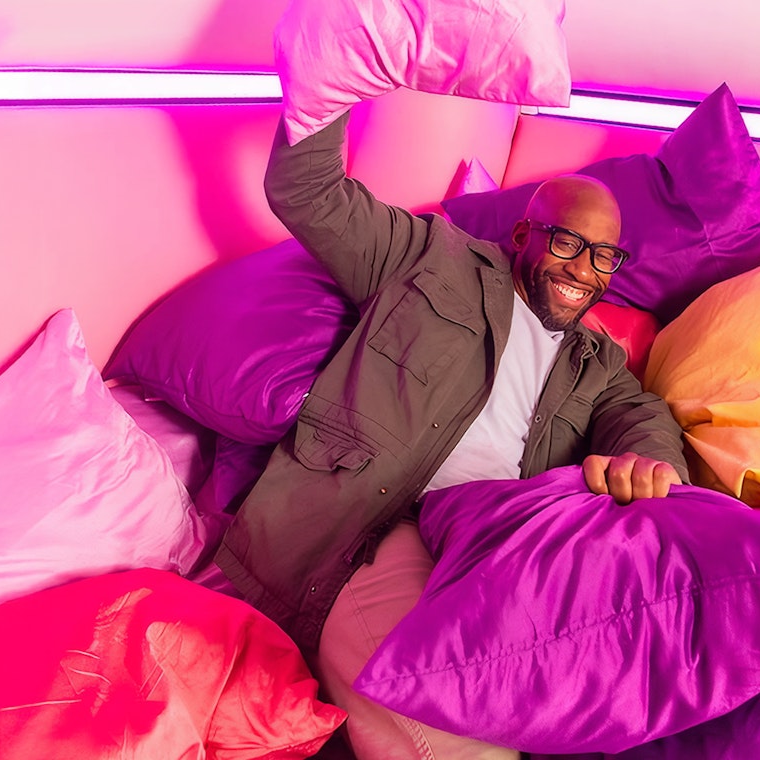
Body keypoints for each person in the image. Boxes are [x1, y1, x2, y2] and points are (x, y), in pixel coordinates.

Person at [214, 109, 689, 756]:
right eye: (568, 243)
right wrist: (330, 88)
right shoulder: (429, 258)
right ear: (524, 233)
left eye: (605, 255)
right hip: (386, 524)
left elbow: (641, 415)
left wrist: (649, 459)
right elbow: (307, 191)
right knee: (454, 731)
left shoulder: (596, 359)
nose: (585, 270)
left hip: (500, 549)